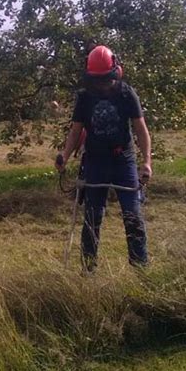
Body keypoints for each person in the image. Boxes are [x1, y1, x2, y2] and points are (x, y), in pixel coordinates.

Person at [55, 45, 152, 271]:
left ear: (115, 73)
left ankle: (141, 269)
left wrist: (146, 162)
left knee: (133, 216)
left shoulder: (127, 94)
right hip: (95, 162)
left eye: (105, 80)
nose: (101, 85)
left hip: (123, 160)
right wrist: (65, 156)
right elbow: (76, 131)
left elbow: (140, 129)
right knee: (92, 217)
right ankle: (88, 270)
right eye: (97, 81)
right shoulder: (85, 98)